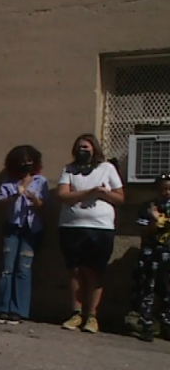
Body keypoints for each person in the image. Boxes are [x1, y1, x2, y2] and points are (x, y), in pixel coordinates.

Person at [57, 134, 123, 333]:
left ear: (94, 149)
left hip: (100, 227)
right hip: (71, 226)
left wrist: (103, 193)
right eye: (78, 147)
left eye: (85, 147)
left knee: (94, 271)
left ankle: (92, 316)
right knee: (75, 271)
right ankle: (76, 313)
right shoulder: (68, 170)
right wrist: (89, 192)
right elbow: (63, 195)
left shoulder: (107, 169)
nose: (81, 151)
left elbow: (120, 198)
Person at [0, 146, 48, 325]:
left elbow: (44, 207)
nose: (25, 165)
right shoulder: (8, 182)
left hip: (31, 229)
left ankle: (19, 310)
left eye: (28, 161)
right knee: (7, 268)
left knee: (23, 269)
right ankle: (2, 308)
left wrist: (34, 199)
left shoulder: (40, 181)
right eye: (22, 162)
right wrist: (16, 194)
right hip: (12, 227)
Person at [131, 174, 170, 341]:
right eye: (163, 189)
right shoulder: (147, 207)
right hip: (151, 255)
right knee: (148, 289)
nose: (166, 192)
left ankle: (166, 323)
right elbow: (142, 232)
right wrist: (154, 223)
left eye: (169, 189)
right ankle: (146, 324)